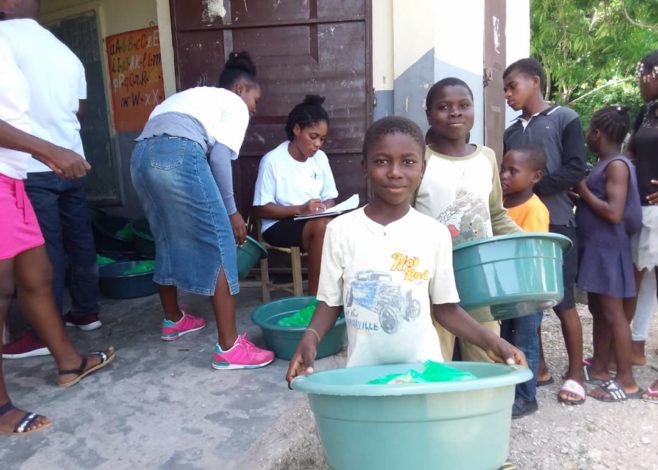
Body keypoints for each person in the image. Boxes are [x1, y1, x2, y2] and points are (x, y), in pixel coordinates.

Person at [285, 116, 526, 385]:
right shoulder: (340, 230)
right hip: (363, 375)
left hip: (421, 373)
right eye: (381, 161)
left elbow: (446, 309)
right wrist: (311, 337)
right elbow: (330, 303)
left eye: (408, 162)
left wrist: (492, 341)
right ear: (364, 167)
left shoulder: (434, 234)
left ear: (423, 169)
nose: (395, 172)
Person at [130, 51, 274, 370]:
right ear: (240, 89)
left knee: (165, 237)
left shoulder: (187, 97)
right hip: (179, 151)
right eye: (255, 99)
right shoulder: (232, 103)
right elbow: (220, 158)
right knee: (221, 240)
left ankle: (173, 319)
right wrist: (233, 213)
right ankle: (230, 348)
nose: (254, 107)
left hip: (140, 156)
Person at [0, 36, 114, 435]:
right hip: (5, 176)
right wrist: (49, 150)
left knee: (38, 275)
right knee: (1, 289)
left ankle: (69, 361)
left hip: (15, 176)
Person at [0, 0, 102, 362]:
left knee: (43, 253)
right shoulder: (65, 51)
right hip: (71, 157)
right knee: (79, 239)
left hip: (30, 162)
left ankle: (43, 330)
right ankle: (87, 312)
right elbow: (80, 108)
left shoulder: (4, 38)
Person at [414, 77, 520, 363]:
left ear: (475, 109)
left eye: (464, 105)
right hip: (433, 282)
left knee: (487, 354)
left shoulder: (486, 157)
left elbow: (495, 213)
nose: (455, 112)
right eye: (443, 107)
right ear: (428, 114)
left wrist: (524, 243)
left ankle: (483, 407)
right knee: (435, 359)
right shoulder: (420, 160)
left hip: (480, 279)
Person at [503, 58, 587, 404]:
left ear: (534, 82)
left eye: (513, 86)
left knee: (563, 300)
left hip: (557, 222)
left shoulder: (565, 118)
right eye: (505, 89)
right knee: (527, 302)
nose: (508, 94)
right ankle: (539, 369)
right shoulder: (511, 131)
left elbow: (575, 168)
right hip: (519, 225)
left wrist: (532, 189)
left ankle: (577, 374)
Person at [572, 106, 643, 401]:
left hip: (609, 250)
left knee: (614, 315)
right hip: (597, 247)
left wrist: (583, 190)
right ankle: (600, 367)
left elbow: (614, 212)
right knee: (598, 311)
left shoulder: (617, 165)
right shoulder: (604, 163)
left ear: (598, 133)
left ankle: (626, 381)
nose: (587, 136)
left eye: (590, 130)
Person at [252, 95, 337, 295]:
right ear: (297, 129)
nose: (318, 144)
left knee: (339, 225)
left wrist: (324, 207)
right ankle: (316, 299)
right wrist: (300, 209)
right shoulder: (272, 160)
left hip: (313, 219)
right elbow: (260, 208)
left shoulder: (321, 159)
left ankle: (338, 293)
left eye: (322, 139)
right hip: (279, 224)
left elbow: (330, 196)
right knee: (323, 227)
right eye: (313, 136)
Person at [499, 146, 550, 416]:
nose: (504, 175)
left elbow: (531, 251)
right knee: (506, 338)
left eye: (512, 171)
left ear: (535, 176)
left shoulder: (534, 209)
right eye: (502, 169)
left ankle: (527, 396)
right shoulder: (502, 205)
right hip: (507, 289)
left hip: (528, 290)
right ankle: (510, 392)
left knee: (526, 340)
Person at [626, 50, 658, 366]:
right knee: (641, 281)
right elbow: (631, 152)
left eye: (643, 73)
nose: (639, 81)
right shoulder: (647, 111)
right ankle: (633, 349)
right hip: (642, 209)